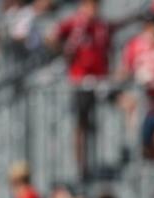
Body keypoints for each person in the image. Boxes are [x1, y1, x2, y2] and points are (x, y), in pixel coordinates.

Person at [48, 0, 111, 180]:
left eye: (95, 5)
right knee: (81, 124)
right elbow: (51, 37)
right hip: (81, 81)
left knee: (124, 103)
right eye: (89, 5)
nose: (92, 9)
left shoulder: (101, 26)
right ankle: (81, 167)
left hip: (101, 81)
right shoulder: (75, 24)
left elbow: (106, 51)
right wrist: (64, 52)